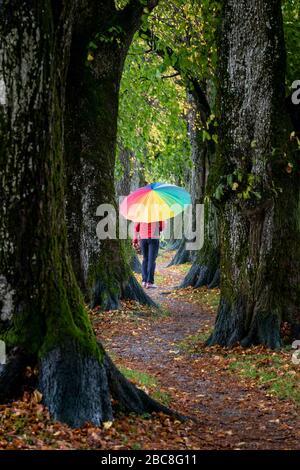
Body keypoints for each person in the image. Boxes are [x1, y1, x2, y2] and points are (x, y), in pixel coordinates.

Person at [132, 221, 165, 289]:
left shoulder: (141, 213)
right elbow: (162, 227)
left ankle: (144, 281)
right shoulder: (158, 212)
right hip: (154, 238)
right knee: (151, 260)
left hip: (143, 238)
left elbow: (136, 227)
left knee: (145, 259)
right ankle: (149, 282)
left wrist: (135, 239)